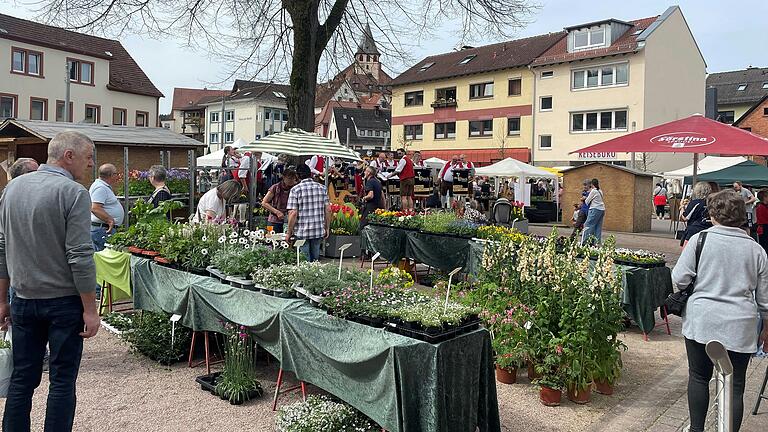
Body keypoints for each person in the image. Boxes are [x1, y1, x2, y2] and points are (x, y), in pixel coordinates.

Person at [0, 130, 100, 431]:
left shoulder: (13, 189)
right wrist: (90, 309)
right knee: (62, 381)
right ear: (68, 156)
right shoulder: (74, 193)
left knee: (22, 380)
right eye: (88, 157)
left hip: (23, 299)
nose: (91, 164)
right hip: (63, 303)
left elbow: (2, 247)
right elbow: (80, 256)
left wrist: (2, 299)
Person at [671, 190, 768, 432]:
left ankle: (697, 429)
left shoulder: (699, 240)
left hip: (702, 319)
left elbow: (679, 279)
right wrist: (766, 328)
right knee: (735, 385)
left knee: (699, 377)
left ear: (713, 214)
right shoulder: (756, 250)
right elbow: (765, 299)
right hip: (740, 323)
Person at [286, 164, 332, 262]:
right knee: (315, 260)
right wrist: (327, 227)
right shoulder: (322, 188)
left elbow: (293, 213)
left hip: (302, 231)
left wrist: (289, 232)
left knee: (304, 261)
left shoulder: (295, 190)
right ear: (310, 174)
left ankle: (306, 276)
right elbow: (328, 209)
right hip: (318, 230)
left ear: (297, 176)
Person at [89, 163, 125, 252]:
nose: (117, 176)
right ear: (111, 175)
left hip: (103, 228)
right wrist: (110, 220)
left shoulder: (103, 186)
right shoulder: (100, 188)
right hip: (103, 229)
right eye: (116, 174)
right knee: (103, 257)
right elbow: (95, 208)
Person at [261, 168, 299, 233]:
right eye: (289, 178)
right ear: (284, 177)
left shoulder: (296, 188)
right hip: (275, 220)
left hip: (290, 220)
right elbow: (264, 203)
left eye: (293, 178)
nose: (291, 180)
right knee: (272, 239)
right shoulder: (275, 187)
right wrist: (277, 212)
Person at [680, 182, 713, 248]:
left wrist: (682, 207)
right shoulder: (712, 202)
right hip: (709, 231)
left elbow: (685, 218)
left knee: (688, 252)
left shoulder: (695, 203)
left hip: (694, 231)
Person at [580, 178, 605, 245]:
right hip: (602, 209)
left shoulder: (593, 191)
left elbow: (587, 202)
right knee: (597, 227)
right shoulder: (600, 191)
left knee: (587, 225)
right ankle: (597, 243)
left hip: (594, 209)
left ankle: (584, 242)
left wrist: (584, 198)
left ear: (592, 184)